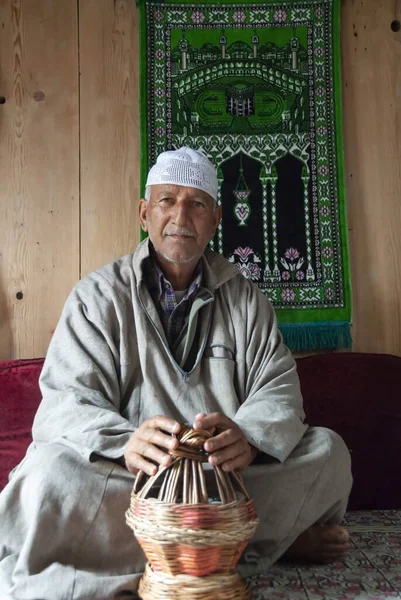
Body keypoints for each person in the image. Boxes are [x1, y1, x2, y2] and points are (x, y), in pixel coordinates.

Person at [0, 147, 352, 600]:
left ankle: (196, 546)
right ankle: (255, 543)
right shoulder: (97, 298)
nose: (181, 216)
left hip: (223, 481)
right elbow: (65, 403)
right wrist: (126, 441)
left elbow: (279, 388)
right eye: (167, 200)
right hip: (135, 485)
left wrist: (246, 436)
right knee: (48, 475)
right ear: (145, 213)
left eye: (197, 203)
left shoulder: (247, 301)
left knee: (328, 451)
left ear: (216, 219)